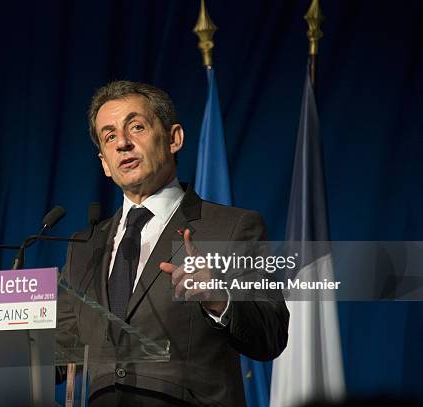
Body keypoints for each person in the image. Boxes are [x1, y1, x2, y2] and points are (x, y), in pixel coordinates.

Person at [57, 80, 289, 406]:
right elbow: (56, 350)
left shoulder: (230, 228)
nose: (122, 142)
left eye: (136, 127)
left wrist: (218, 299)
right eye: (109, 136)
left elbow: (271, 335)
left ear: (173, 138)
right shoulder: (84, 248)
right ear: (105, 164)